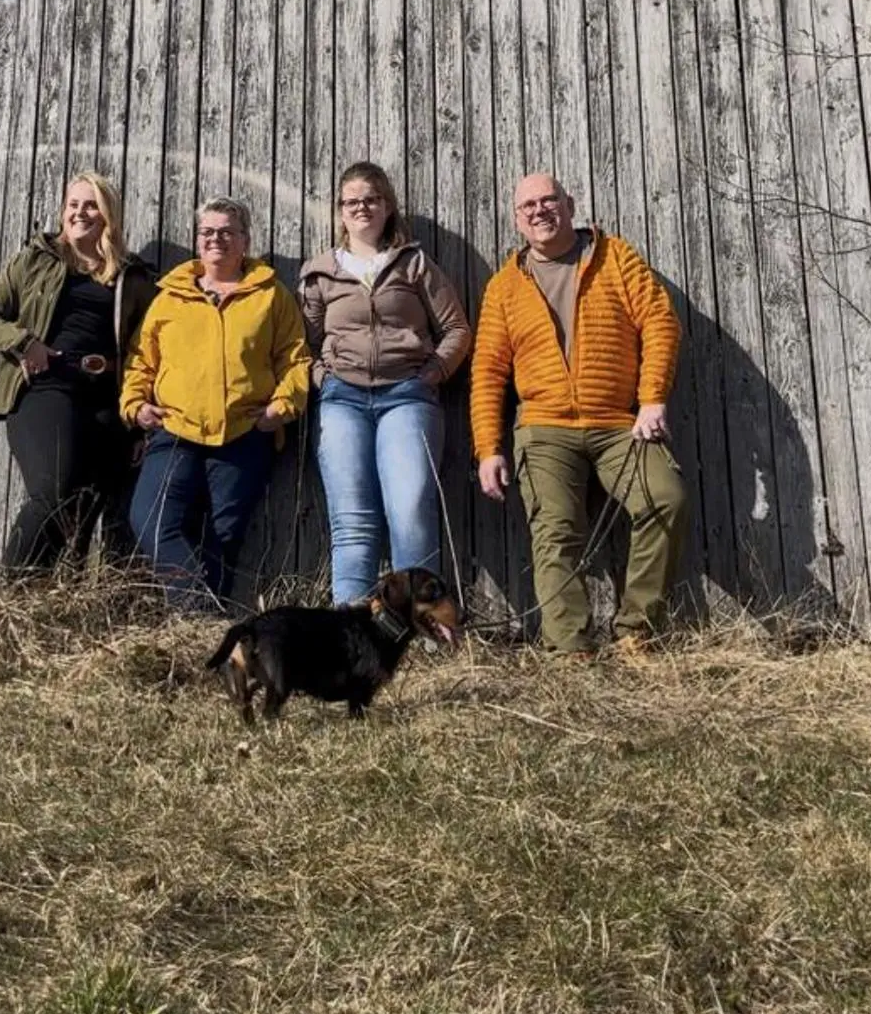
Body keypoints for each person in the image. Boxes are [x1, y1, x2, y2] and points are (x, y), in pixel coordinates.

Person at [470, 171, 688, 657]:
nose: (540, 211)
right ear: (516, 219)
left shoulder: (615, 258)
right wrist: (489, 449)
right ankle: (571, 650)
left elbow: (660, 322)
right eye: (528, 206)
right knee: (556, 533)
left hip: (618, 421)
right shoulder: (505, 286)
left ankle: (637, 631)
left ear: (569, 204)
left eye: (549, 200)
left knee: (665, 499)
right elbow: (487, 371)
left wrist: (652, 397)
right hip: (544, 428)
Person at [122, 198, 310, 612]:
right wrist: (135, 404)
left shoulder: (271, 296)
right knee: (151, 519)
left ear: (245, 240)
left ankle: (203, 641)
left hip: (243, 433)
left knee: (223, 536)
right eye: (207, 232)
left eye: (227, 231)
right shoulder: (170, 297)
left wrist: (282, 407)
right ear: (197, 240)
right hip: (175, 429)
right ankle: (201, 618)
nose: (216, 239)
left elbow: (295, 360)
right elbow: (141, 360)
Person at [299, 161, 472, 607]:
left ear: (387, 206)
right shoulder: (318, 273)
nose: (361, 208)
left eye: (371, 199)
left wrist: (434, 370)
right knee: (352, 520)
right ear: (340, 211)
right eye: (351, 201)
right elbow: (304, 343)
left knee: (410, 510)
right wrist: (322, 377)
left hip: (407, 399)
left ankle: (419, 627)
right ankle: (351, 634)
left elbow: (457, 329)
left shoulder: (414, 264)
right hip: (343, 401)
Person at [0, 172, 155, 578]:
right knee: (53, 491)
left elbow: (150, 351)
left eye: (90, 205)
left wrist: (140, 420)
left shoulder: (133, 276)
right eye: (73, 204)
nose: (79, 213)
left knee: (84, 510)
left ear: (109, 215)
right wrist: (23, 342)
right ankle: (11, 598)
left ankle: (52, 601)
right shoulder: (36, 259)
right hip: (47, 388)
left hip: (106, 399)